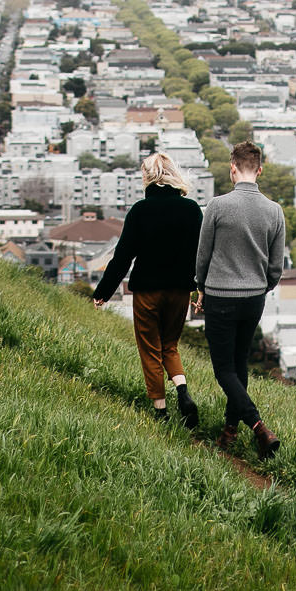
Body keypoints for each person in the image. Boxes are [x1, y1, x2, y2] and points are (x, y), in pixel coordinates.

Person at [91, 153, 203, 427]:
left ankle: (161, 411)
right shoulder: (191, 210)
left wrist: (103, 291)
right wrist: (200, 287)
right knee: (170, 346)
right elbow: (200, 255)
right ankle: (182, 391)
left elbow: (122, 257)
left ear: (148, 177)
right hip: (180, 290)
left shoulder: (140, 211)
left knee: (150, 349)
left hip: (147, 291)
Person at [194, 140, 287, 456]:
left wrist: (201, 286)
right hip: (254, 299)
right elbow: (276, 266)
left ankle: (258, 427)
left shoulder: (217, 206)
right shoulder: (274, 211)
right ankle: (229, 432)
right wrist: (262, 287)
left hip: (220, 296)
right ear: (259, 171)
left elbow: (203, 255)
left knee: (224, 370)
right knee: (238, 364)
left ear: (232, 168)